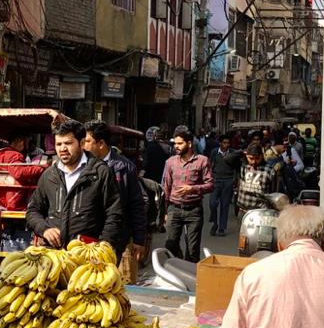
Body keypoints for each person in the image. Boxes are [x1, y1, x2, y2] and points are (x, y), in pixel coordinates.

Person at [26, 120, 124, 255]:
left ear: (82, 143)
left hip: (88, 256)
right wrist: (44, 229)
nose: (62, 149)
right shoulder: (49, 175)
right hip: (54, 255)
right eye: (59, 144)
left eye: (68, 143)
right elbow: (33, 211)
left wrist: (103, 247)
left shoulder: (100, 172)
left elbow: (114, 214)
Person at [82, 121, 147, 282]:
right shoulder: (81, 167)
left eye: (88, 141)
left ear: (101, 143)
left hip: (119, 238)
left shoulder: (124, 167)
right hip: (89, 238)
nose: (83, 145)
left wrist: (139, 239)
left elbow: (136, 204)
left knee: (119, 284)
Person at [161, 126, 214, 263]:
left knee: (192, 251)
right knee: (170, 245)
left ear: (189, 144)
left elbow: (210, 185)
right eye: (175, 143)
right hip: (174, 208)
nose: (176, 146)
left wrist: (192, 189)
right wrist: (164, 211)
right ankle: (176, 269)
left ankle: (190, 279)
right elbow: (166, 187)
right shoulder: (170, 162)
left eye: (180, 143)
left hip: (194, 210)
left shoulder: (202, 161)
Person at [0, 129, 45, 210]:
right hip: (10, 201)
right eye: (28, 142)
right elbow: (18, 172)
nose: (29, 146)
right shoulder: (15, 155)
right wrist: (41, 168)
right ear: (20, 141)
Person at [209, 135, 243, 237]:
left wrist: (237, 181)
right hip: (216, 180)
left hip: (228, 181)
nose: (226, 145)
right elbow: (210, 166)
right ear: (220, 143)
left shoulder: (233, 153)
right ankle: (214, 223)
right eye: (224, 143)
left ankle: (221, 228)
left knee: (225, 205)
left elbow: (238, 168)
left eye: (228, 143)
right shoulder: (215, 152)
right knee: (213, 203)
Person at [235, 143, 278, 215]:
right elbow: (227, 159)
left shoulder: (269, 170)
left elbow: (273, 193)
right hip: (243, 210)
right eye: (251, 158)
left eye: (257, 158)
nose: (254, 161)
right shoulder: (243, 167)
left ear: (262, 156)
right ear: (246, 156)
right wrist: (242, 152)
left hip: (261, 212)